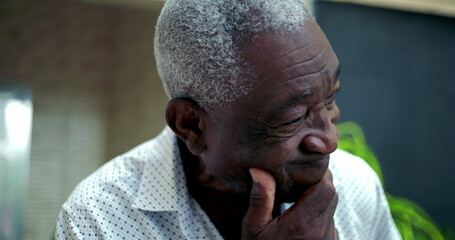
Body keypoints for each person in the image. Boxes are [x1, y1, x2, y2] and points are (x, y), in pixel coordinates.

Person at [56, 0, 402, 239]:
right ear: (191, 125)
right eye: (294, 116)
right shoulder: (99, 217)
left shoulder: (355, 184)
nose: (329, 140)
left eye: (329, 100)